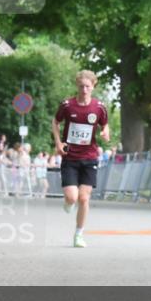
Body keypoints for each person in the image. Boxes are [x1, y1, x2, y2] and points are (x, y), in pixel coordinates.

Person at [52, 69, 110, 248]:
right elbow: (56, 122)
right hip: (70, 157)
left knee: (84, 198)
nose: (84, 90)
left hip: (89, 157)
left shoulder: (99, 107)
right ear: (77, 86)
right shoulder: (67, 105)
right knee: (72, 197)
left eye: (87, 86)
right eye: (81, 86)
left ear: (93, 86)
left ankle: (78, 234)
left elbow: (105, 123)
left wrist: (105, 130)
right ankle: (68, 203)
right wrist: (58, 143)